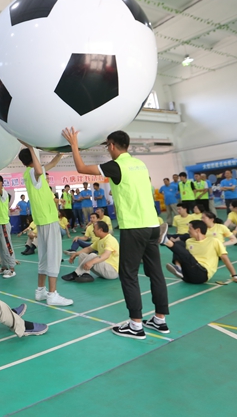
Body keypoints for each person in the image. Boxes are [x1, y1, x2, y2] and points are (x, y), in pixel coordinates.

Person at [64, 127, 169, 339]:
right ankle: (159, 320)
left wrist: (74, 144)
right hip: (152, 226)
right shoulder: (140, 164)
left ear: (112, 146)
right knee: (155, 273)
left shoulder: (117, 165)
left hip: (134, 227)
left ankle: (135, 325)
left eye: (108, 146)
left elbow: (81, 167)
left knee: (128, 275)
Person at [17, 142, 72, 307]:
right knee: (54, 257)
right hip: (48, 220)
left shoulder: (29, 173)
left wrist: (60, 154)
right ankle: (52, 294)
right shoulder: (34, 172)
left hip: (42, 221)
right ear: (33, 158)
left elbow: (49, 165)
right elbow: (40, 169)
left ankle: (40, 291)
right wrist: (32, 146)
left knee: (44, 257)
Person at [161, 220, 237, 285]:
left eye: (190, 228)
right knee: (180, 245)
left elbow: (225, 259)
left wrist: (235, 276)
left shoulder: (214, 241)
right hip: (186, 276)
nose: (188, 231)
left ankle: (165, 240)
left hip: (201, 274)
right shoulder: (189, 241)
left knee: (184, 252)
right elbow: (182, 256)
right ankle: (178, 268)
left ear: (197, 230)